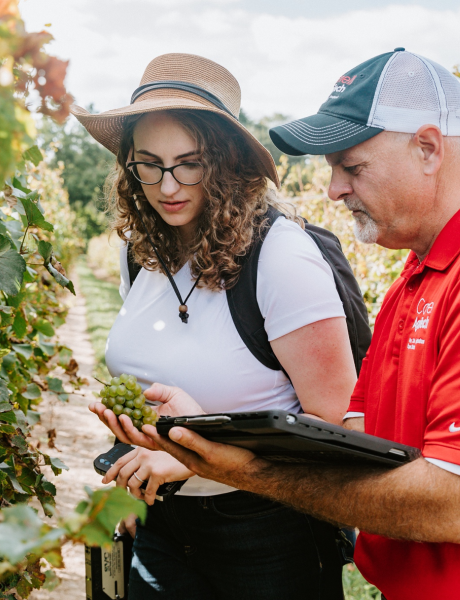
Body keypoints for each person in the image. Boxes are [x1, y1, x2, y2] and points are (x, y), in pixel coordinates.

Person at [143, 49, 460, 599]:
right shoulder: (426, 271)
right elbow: (364, 440)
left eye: (351, 166)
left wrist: (244, 471)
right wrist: (214, 430)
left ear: (428, 148)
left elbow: (455, 506)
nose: (334, 189)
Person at [74, 53, 358, 600]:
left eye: (190, 162)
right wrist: (131, 471)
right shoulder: (141, 252)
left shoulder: (280, 257)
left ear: (226, 161)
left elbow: (336, 431)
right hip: (162, 523)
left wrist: (192, 456)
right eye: (149, 164)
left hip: (265, 536)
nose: (167, 185)